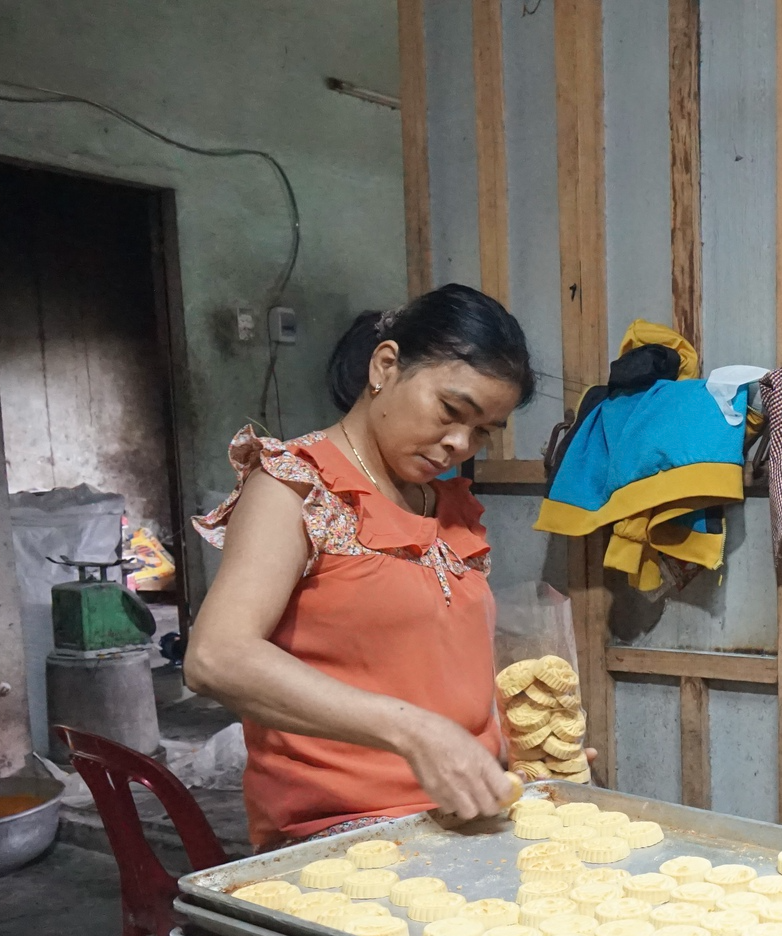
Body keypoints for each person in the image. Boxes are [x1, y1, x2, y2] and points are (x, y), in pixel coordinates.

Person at [187, 284, 562, 848]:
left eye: (483, 431)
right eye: (451, 411)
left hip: (465, 812)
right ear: (385, 366)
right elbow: (218, 658)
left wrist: (515, 754)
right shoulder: (296, 488)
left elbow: (431, 671)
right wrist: (414, 733)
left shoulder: (451, 508)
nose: (460, 443)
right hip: (340, 830)